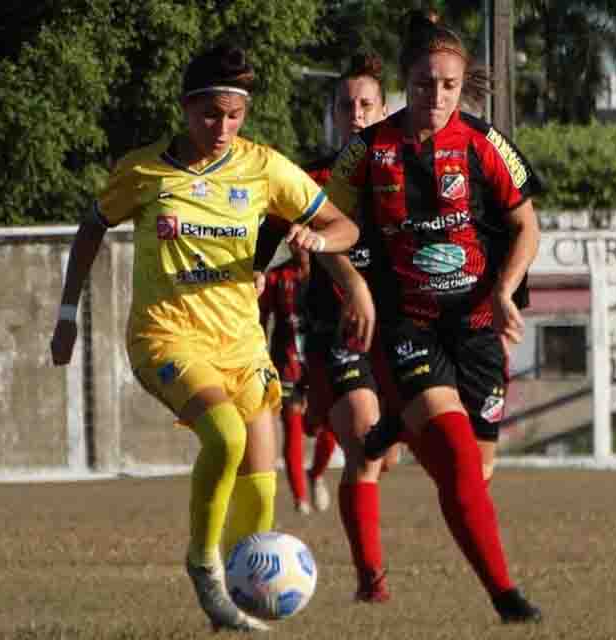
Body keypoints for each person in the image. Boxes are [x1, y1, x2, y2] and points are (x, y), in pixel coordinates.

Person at [49, 43, 358, 632]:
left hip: (242, 347)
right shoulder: (145, 170)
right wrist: (68, 312)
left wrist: (320, 241)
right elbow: (91, 227)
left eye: (234, 115)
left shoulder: (264, 167)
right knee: (223, 437)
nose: (222, 127)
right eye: (210, 114)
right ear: (187, 108)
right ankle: (203, 564)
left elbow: (343, 224)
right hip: (166, 338)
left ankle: (241, 604)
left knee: (262, 498)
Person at [322, 11, 544, 624]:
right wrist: (358, 293)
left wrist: (504, 290)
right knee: (455, 457)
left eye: (448, 85)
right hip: (407, 325)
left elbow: (527, 225)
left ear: (462, 82)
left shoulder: (483, 142)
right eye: (424, 84)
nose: (436, 97)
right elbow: (329, 231)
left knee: (479, 468)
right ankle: (507, 599)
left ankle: (396, 418)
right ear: (405, 82)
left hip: (475, 325)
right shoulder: (368, 151)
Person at [253, 52, 402, 602]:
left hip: (400, 331)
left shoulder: (404, 173)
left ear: (385, 109)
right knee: (364, 446)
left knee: (386, 455)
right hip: (332, 331)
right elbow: (270, 224)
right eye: (347, 105)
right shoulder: (311, 177)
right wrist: (251, 271)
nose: (357, 114)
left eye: (367, 104)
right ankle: (372, 580)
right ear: (334, 113)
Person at [257, 244, 332, 515]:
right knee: (293, 426)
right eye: (293, 240)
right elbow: (261, 318)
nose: (299, 246)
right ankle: (300, 498)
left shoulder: (329, 272)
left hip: (321, 360)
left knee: (328, 426)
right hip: (286, 361)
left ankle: (316, 474)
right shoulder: (277, 277)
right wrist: (260, 356)